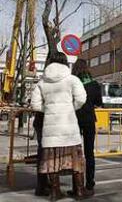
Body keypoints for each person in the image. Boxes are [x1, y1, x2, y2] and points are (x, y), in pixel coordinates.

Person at [30, 52, 87, 201]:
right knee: (76, 159)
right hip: (69, 127)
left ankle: (55, 192)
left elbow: (35, 104)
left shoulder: (42, 82)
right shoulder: (72, 79)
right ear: (65, 62)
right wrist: (70, 107)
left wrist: (49, 109)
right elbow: (81, 99)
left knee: (51, 160)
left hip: (51, 128)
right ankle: (80, 191)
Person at [72, 59, 103, 196]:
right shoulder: (94, 84)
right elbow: (99, 102)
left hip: (74, 120)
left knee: (75, 153)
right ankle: (90, 184)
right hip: (89, 119)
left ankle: (76, 186)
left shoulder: (72, 82)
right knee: (89, 153)